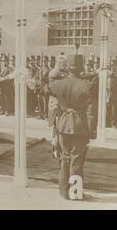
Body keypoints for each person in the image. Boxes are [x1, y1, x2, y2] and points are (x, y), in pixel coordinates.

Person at [49, 55, 97, 200]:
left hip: (63, 125)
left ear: (67, 69)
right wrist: (91, 132)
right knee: (77, 160)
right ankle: (75, 193)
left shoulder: (57, 84)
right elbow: (91, 113)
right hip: (80, 126)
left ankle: (64, 192)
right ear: (81, 69)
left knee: (65, 158)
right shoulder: (87, 86)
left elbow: (45, 91)